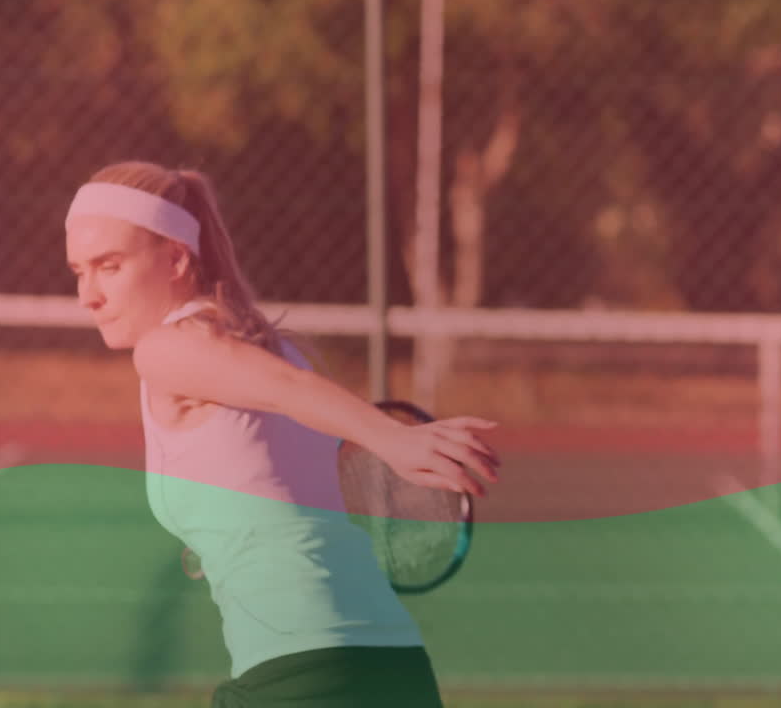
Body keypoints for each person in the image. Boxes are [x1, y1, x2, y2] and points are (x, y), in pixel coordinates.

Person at [63, 160, 500, 707]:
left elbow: (283, 390)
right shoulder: (267, 343)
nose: (88, 294)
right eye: (79, 271)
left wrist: (394, 439)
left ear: (176, 257)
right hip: (396, 664)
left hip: (304, 674)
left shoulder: (166, 350)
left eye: (109, 266)